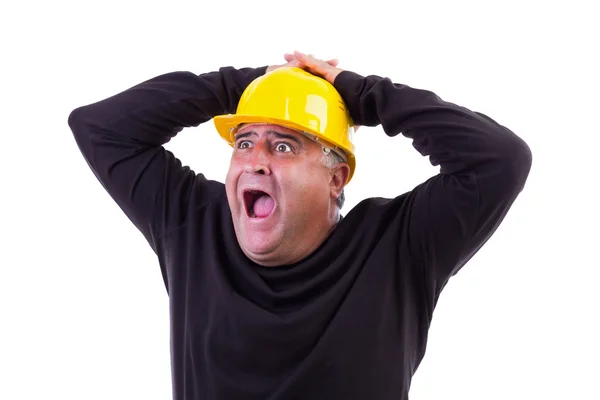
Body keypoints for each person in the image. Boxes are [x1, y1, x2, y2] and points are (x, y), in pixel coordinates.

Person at [68, 51, 532, 399]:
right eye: (244, 142)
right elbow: (99, 127)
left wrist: (363, 94)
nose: (255, 162)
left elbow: (499, 159)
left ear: (337, 178)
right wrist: (251, 86)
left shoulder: (397, 249)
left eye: (285, 147)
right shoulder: (194, 225)